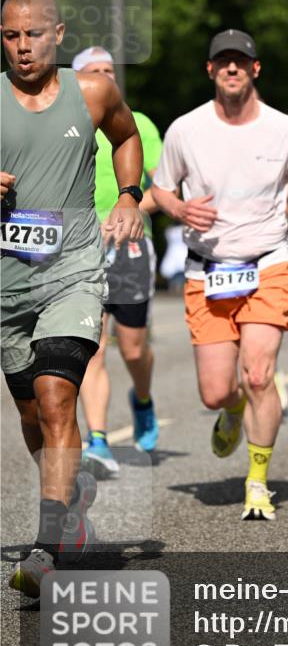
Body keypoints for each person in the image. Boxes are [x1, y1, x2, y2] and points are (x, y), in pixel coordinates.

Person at [151, 29, 288, 520]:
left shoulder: (285, 129)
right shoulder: (185, 130)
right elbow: (161, 190)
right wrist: (181, 209)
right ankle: (232, 411)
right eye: (222, 62)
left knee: (258, 373)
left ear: (256, 69)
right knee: (216, 391)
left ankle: (257, 480)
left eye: (241, 61)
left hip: (267, 262)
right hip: (205, 270)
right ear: (210, 71)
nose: (232, 69)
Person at [1, 0, 143, 596]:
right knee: (32, 415)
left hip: (73, 272)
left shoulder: (93, 92)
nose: (22, 47)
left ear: (58, 36)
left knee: (57, 395)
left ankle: (46, 546)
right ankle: (71, 493)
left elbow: (127, 137)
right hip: (7, 286)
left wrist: (132, 195)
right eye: (10, 36)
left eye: (34, 34)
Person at [71, 47, 163, 476]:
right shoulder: (68, 124)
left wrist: (133, 209)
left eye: (110, 70)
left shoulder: (138, 123)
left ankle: (142, 399)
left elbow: (160, 187)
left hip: (127, 246)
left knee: (133, 347)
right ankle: (100, 440)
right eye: (95, 72)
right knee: (95, 346)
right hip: (79, 244)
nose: (106, 77)